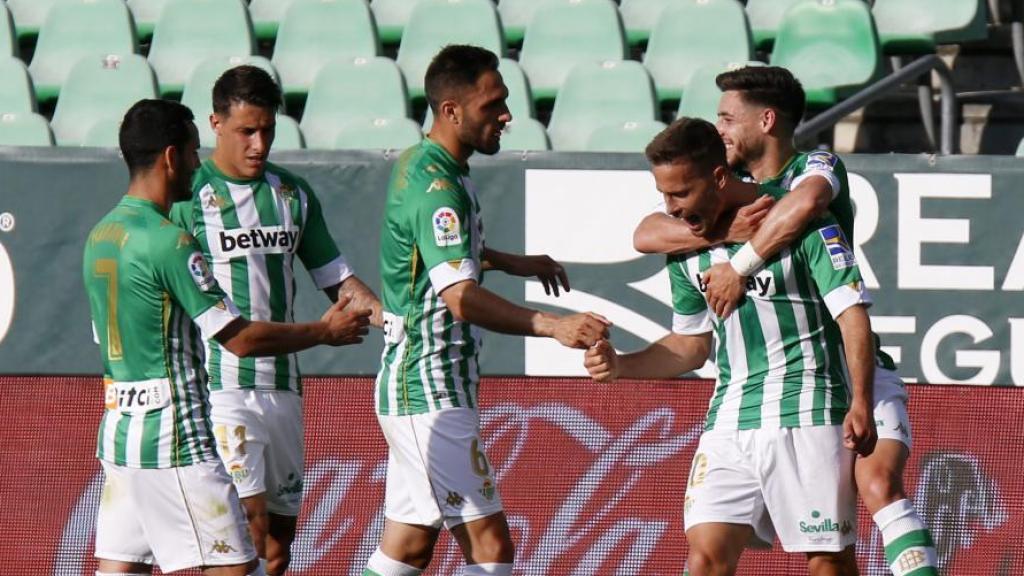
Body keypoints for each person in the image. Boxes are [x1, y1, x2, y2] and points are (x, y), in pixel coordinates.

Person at [633, 66, 939, 576]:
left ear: (767, 119)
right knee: (709, 554)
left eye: (728, 117)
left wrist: (739, 264)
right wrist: (715, 236)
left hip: (840, 369)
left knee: (878, 486)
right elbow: (646, 233)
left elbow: (804, 204)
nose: (721, 129)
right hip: (754, 399)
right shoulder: (725, 197)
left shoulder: (812, 171)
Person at [83, 99, 370, 576]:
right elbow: (236, 337)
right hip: (175, 436)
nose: (199, 165)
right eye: (195, 152)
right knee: (239, 568)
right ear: (172, 157)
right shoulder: (169, 242)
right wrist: (323, 331)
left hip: (120, 433)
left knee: (119, 569)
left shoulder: (101, 235)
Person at [585, 118, 876, 576]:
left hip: (808, 410)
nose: (671, 208)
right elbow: (690, 344)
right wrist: (622, 364)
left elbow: (853, 315)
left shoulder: (803, 223)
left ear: (719, 177)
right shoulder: (688, 247)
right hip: (728, 420)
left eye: (680, 193)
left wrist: (862, 399)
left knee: (827, 561)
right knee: (704, 559)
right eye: (663, 194)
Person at [363, 45, 611, 576]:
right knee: (491, 548)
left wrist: (507, 260)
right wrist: (551, 324)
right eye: (492, 104)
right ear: (451, 110)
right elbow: (459, 297)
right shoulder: (439, 187)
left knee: (407, 547)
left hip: (420, 385)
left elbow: (431, 253)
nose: (506, 115)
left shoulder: (423, 161)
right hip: (428, 387)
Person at [169, 65, 383, 576]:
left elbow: (338, 280)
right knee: (247, 529)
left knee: (278, 545)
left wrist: (389, 320)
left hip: (283, 388)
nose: (259, 143)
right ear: (216, 123)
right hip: (220, 388)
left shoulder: (293, 193)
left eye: (268, 130)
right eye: (247, 130)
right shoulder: (187, 196)